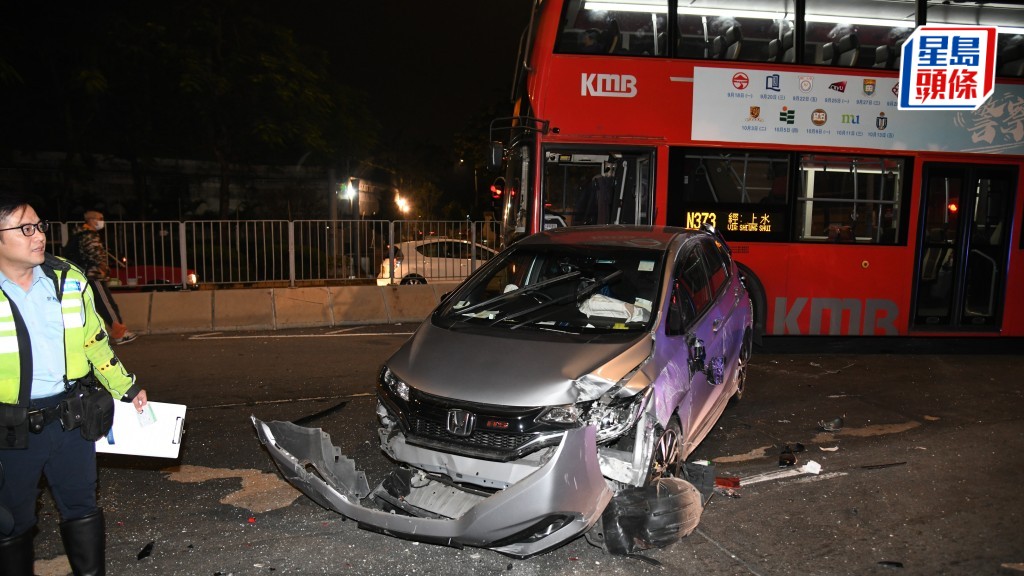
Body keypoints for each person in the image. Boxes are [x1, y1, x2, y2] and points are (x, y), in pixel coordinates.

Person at [0, 193, 148, 575]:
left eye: (40, 226)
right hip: (11, 428)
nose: (39, 236)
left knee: (82, 507)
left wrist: (127, 388)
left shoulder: (68, 278)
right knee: (12, 522)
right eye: (25, 229)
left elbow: (95, 343)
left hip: (71, 418)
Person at [63, 210, 137, 345]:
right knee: (106, 304)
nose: (102, 221)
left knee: (97, 305)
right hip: (93, 274)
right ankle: (120, 333)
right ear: (91, 220)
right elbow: (95, 254)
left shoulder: (79, 234)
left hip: (85, 274)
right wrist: (103, 268)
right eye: (100, 218)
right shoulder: (89, 235)